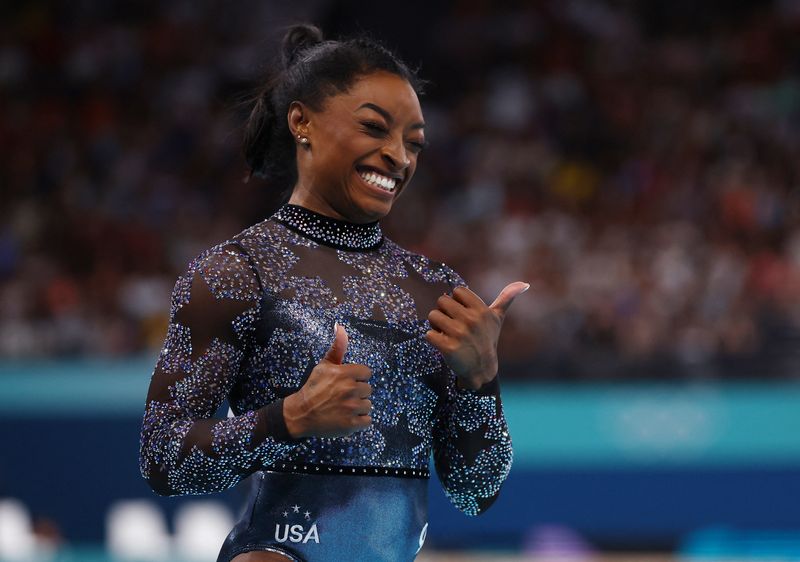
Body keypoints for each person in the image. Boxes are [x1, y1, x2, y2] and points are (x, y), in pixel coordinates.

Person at [139, 24, 527, 562]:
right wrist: (290, 417)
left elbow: (475, 492)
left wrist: (482, 381)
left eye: (413, 143)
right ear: (302, 122)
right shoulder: (236, 273)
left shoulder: (437, 292)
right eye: (374, 128)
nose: (398, 156)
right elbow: (163, 459)